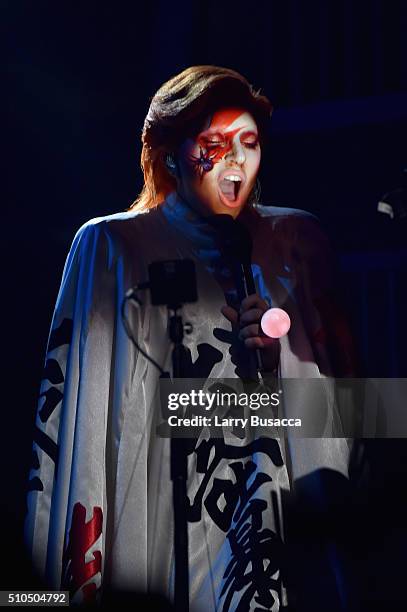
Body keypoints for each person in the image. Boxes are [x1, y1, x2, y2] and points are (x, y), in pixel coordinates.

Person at [25, 66, 356, 610]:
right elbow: (89, 425)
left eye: (248, 143)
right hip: (162, 519)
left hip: (276, 518)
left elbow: (356, 422)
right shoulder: (113, 247)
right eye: (214, 144)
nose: (235, 162)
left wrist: (280, 368)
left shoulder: (295, 242)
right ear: (170, 154)